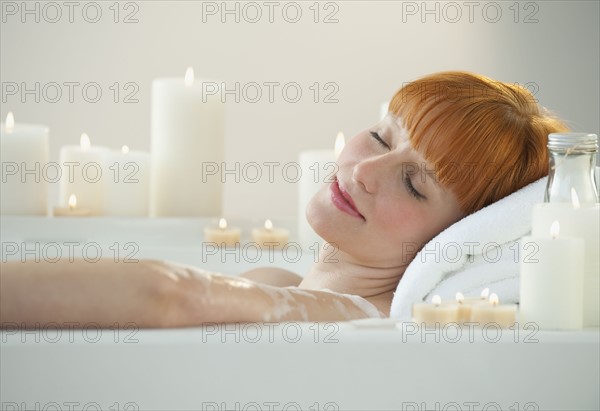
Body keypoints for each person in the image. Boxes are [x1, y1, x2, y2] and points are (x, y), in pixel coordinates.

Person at [0, 71, 568, 328]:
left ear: (453, 241)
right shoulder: (282, 283)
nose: (365, 170)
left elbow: (171, 297)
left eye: (415, 183)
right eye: (379, 136)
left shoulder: (357, 317)